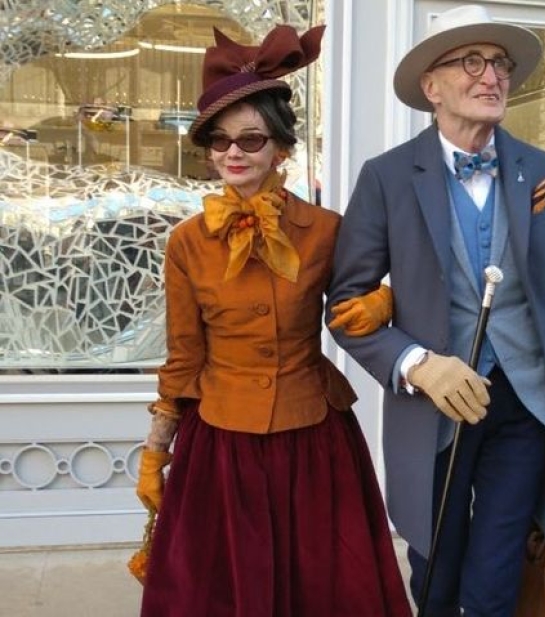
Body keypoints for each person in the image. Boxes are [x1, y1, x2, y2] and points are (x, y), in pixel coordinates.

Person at [135, 24, 411, 617]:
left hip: (312, 439)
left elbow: (362, 298)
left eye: (251, 139)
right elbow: (185, 356)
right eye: (220, 141)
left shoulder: (328, 230)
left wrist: (384, 301)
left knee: (322, 588)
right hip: (222, 447)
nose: (233, 153)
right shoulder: (186, 243)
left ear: (281, 149)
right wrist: (156, 449)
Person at [326, 5, 545, 616]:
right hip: (435, 409)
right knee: (436, 572)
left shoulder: (540, 170)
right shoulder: (387, 177)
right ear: (432, 86)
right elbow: (345, 306)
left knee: (497, 572)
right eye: (471, 61)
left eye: (499, 63)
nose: (491, 76)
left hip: (526, 406)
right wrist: (417, 364)